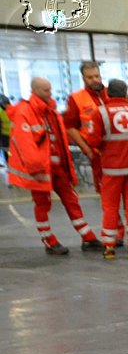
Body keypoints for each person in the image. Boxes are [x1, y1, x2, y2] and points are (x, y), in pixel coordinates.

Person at [6, 77, 100, 254]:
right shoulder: (25, 112)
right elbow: (25, 142)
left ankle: (87, 236)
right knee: (43, 204)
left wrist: (67, 167)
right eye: (46, 90)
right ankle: (48, 239)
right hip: (40, 169)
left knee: (71, 200)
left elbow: (60, 140)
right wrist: (36, 169)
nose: (50, 93)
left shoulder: (51, 111)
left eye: (50, 90)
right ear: (35, 90)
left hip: (56, 167)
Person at [82, 78, 128, 260]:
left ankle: (109, 247)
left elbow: (93, 140)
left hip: (112, 168)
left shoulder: (101, 113)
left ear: (108, 94)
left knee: (110, 206)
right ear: (126, 93)